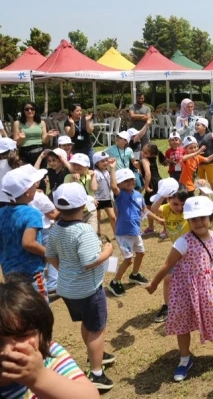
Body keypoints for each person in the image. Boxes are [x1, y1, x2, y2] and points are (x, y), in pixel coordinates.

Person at [146, 196, 213, 382]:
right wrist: (154, 283)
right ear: (188, 220)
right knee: (183, 322)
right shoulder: (183, 242)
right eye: (194, 219)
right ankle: (184, 359)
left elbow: (211, 262)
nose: (198, 223)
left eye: (203, 218)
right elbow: (167, 264)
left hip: (208, 287)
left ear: (210, 218)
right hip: (184, 289)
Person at [45, 183, 115, 391]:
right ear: (83, 207)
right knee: (97, 328)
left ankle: (96, 354)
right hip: (88, 289)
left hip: (67, 289)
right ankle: (96, 373)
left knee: (88, 323)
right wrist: (108, 251)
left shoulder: (56, 228)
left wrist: (66, 271)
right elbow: (89, 260)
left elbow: (50, 255)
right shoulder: (84, 230)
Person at [0, 275, 100, 399]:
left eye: (22, 335)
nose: (7, 350)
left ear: (42, 333)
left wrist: (39, 378)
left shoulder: (49, 356)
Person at [107, 164, 157, 297]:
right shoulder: (120, 195)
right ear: (119, 183)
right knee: (128, 259)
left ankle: (134, 275)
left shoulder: (138, 195)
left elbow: (144, 211)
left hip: (135, 231)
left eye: (132, 179)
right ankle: (115, 282)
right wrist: (112, 169)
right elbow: (113, 187)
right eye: (125, 181)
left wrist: (159, 220)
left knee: (141, 253)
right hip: (123, 233)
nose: (130, 182)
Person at [0, 166, 48, 298]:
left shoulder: (1, 212)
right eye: (34, 186)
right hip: (31, 271)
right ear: (27, 192)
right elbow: (28, 243)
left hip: (9, 270)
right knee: (40, 309)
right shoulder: (32, 213)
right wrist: (48, 252)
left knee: (19, 306)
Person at [148, 181, 192, 322]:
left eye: (182, 204)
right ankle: (167, 307)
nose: (179, 207)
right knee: (168, 279)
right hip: (177, 251)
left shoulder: (189, 209)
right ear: (168, 200)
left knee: (201, 278)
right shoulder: (166, 209)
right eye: (175, 204)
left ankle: (212, 297)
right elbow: (153, 209)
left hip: (193, 251)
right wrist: (162, 194)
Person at [13, 102, 58, 167]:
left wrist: (48, 135)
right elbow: (17, 143)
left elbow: (45, 141)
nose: (30, 111)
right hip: (25, 153)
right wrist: (22, 138)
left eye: (32, 109)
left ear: (35, 110)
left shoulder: (41, 123)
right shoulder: (17, 123)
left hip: (40, 152)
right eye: (27, 109)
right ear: (23, 111)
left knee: (42, 174)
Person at [139, 143, 165, 235]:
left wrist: (146, 186)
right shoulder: (152, 158)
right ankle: (151, 227)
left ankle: (166, 228)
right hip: (158, 182)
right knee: (149, 206)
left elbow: (148, 173)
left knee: (157, 206)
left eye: (146, 152)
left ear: (151, 154)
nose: (143, 153)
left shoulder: (145, 159)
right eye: (143, 151)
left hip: (153, 184)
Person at [92, 151, 117, 236]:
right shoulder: (95, 173)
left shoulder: (107, 171)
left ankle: (117, 234)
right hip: (97, 199)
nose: (105, 163)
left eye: (106, 160)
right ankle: (98, 234)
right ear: (96, 163)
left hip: (106, 198)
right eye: (102, 161)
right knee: (97, 218)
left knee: (113, 217)